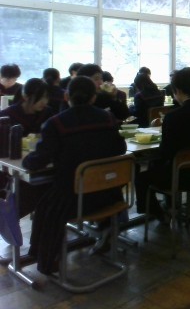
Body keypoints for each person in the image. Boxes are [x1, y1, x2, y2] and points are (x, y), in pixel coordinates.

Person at [22, 76, 127, 275]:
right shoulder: (108, 118)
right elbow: (120, 148)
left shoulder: (56, 123)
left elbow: (38, 161)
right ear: (94, 98)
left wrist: (26, 159)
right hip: (110, 195)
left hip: (72, 200)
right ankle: (105, 229)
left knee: (44, 204)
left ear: (67, 96)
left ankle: (47, 259)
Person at [134, 67, 190, 219]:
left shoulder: (173, 117)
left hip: (179, 176)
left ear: (178, 91)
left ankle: (159, 213)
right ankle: (170, 206)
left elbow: (166, 152)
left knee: (142, 177)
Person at [0, 78, 55, 218]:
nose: (44, 102)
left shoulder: (48, 114)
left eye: (46, 97)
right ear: (25, 96)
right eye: (39, 98)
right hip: (12, 163)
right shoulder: (8, 115)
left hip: (37, 163)